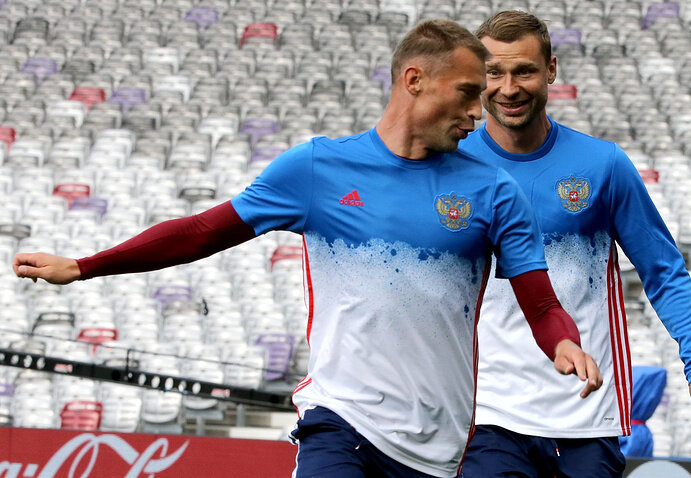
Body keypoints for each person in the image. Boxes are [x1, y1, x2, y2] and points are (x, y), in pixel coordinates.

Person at [13, 20, 601, 478]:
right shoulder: (318, 168)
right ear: (415, 79)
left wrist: (563, 342)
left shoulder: (493, 190)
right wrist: (86, 266)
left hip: (438, 444)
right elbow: (202, 230)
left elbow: (541, 303)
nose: (480, 110)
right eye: (469, 92)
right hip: (339, 419)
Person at [458, 11, 691, 478]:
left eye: (524, 71)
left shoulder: (602, 164)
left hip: (586, 412)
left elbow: (662, 269)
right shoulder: (450, 167)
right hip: (485, 412)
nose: (508, 88)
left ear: (551, 69)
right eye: (494, 73)